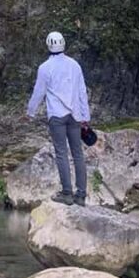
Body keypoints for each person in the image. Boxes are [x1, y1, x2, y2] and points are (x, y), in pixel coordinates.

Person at [25, 31, 91, 206]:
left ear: (48, 45)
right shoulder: (74, 65)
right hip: (75, 115)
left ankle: (67, 193)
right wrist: (86, 116)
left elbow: (39, 92)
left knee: (61, 153)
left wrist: (30, 112)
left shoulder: (45, 68)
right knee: (78, 154)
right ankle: (81, 195)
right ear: (64, 44)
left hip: (56, 115)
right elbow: (82, 91)